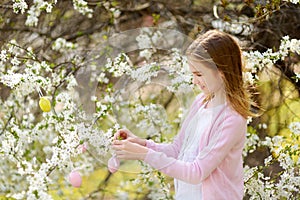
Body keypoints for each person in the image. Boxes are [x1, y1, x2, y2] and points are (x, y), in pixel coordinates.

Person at [111, 29, 256, 200]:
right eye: (193, 74)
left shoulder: (231, 120)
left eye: (199, 74)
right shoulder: (201, 103)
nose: (194, 81)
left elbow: (197, 172)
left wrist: (143, 155)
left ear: (221, 73)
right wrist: (142, 144)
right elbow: (177, 150)